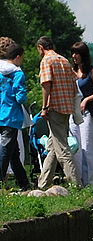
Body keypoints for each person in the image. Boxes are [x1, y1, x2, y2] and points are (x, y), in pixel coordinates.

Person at [36, 36, 81, 189]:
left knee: (62, 148)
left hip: (54, 107)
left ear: (41, 48)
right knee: (52, 146)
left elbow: (46, 85)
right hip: (67, 107)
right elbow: (74, 84)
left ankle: (76, 185)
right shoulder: (64, 60)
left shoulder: (46, 61)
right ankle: (42, 184)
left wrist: (44, 107)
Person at [69, 42, 93, 187]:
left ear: (83, 55)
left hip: (88, 113)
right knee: (76, 148)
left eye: (76, 53)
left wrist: (86, 99)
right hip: (73, 113)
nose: (74, 56)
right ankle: (80, 181)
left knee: (88, 147)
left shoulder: (92, 71)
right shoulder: (72, 71)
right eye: (72, 53)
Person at [0, 43, 31, 190]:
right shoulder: (18, 74)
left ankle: (23, 182)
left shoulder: (0, 71)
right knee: (6, 151)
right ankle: (0, 183)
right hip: (11, 116)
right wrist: (24, 94)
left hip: (0, 113)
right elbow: (20, 98)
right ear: (17, 57)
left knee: (14, 152)